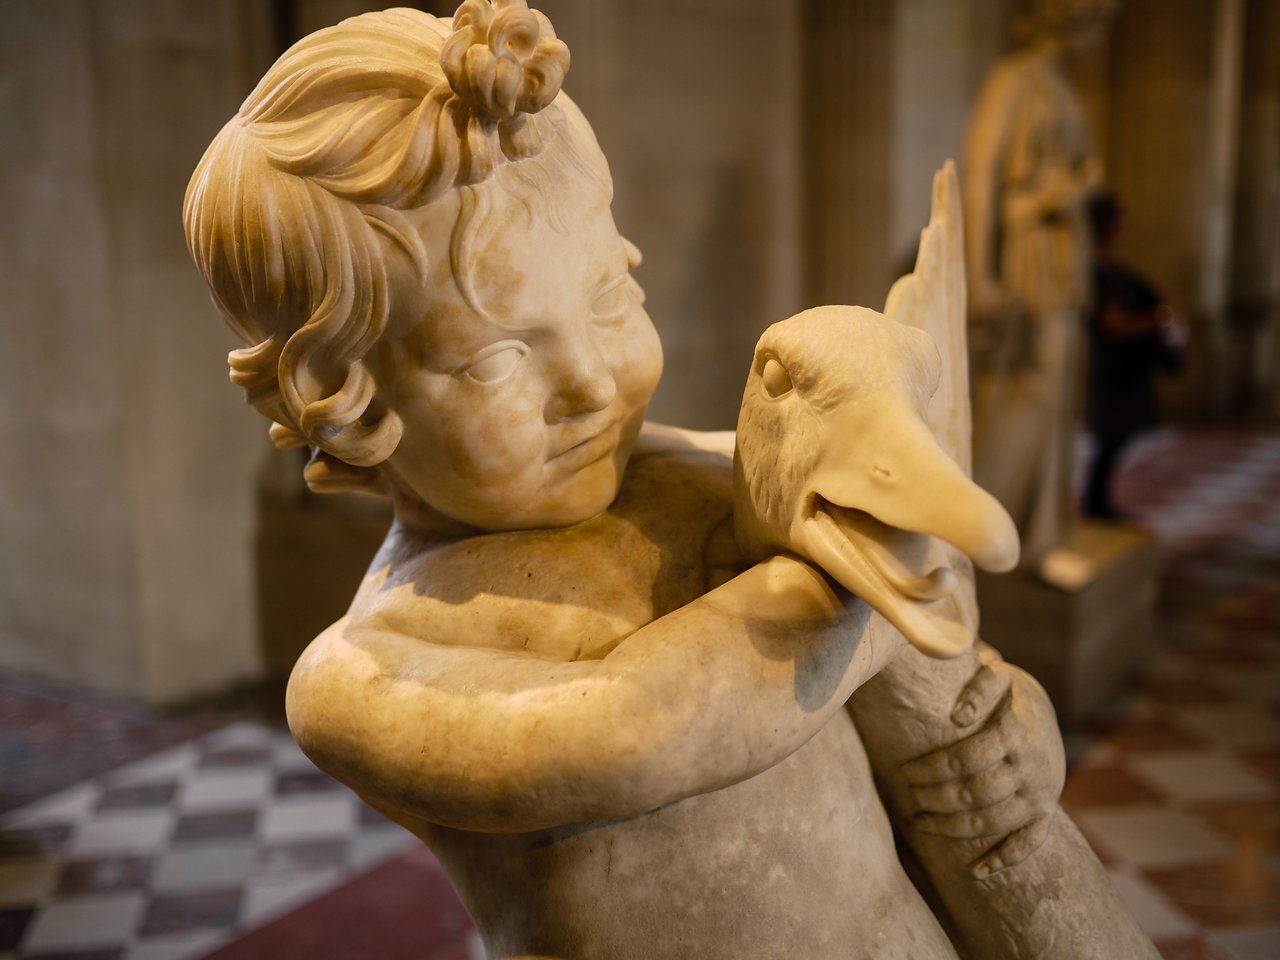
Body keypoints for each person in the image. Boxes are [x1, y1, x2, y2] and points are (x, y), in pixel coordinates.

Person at [183, 5, 1150, 957]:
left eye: (610, 299)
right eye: (495, 362)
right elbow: (635, 731)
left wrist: (1017, 738)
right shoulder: (373, 666)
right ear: (345, 407)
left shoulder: (708, 472)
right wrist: (875, 592)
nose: (591, 384)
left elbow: (953, 697)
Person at [963, 0, 1116, 561]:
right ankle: (982, 533)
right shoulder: (1013, 81)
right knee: (1028, 392)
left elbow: (1076, 170)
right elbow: (980, 179)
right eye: (1096, 21)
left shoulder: (1058, 86)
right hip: (1028, 263)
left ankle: (1037, 529)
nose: (1099, 36)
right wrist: (980, 276)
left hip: (1058, 259)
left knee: (1055, 396)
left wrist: (1078, 185)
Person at [1082, 191, 1184, 519]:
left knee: (1116, 439)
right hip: (1113, 369)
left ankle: (1097, 502)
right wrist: (1154, 321)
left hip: (1127, 368)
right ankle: (1095, 504)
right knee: (1111, 438)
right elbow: (1112, 325)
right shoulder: (1095, 272)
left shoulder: (1114, 269)